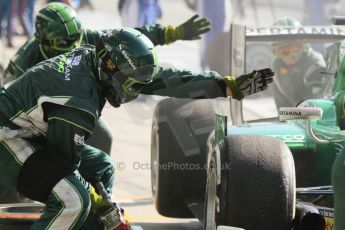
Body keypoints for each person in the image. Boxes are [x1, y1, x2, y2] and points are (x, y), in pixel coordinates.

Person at [0, 27, 274, 229]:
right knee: (75, 200)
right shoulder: (78, 104)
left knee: (102, 167)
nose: (135, 91)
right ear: (112, 69)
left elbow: (165, 80)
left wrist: (226, 86)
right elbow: (62, 164)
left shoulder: (95, 59)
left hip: (27, 130)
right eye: (133, 84)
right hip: (7, 137)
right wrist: (103, 206)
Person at [1, 2, 211, 155]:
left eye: (77, 38)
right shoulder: (24, 59)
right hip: (36, 114)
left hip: (75, 105)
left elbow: (131, 39)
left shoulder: (88, 36)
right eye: (66, 42)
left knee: (104, 137)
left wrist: (172, 33)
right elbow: (8, 94)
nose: (74, 46)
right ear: (43, 40)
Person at [271, 17, 327, 109]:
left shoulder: (316, 65)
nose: (292, 56)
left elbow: (316, 107)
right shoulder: (276, 65)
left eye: (296, 49)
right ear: (275, 51)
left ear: (304, 45)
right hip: (294, 117)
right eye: (285, 52)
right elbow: (281, 106)